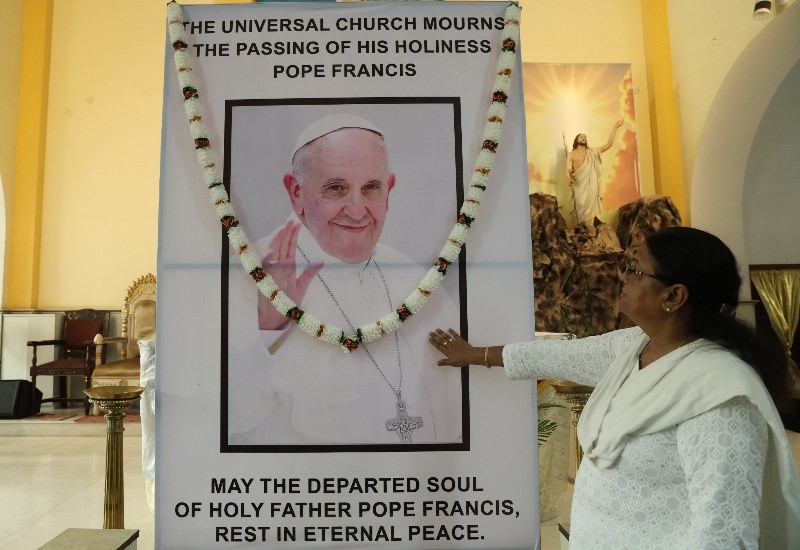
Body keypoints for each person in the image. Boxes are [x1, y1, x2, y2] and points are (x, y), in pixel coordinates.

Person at [429, 226, 800, 548]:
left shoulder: (719, 394)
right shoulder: (635, 346)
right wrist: (475, 354)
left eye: (635, 269)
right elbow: (560, 357)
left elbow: (725, 533)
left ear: (674, 296)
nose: (622, 276)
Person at [227, 113, 463, 446]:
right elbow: (226, 419)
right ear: (296, 192)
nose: (356, 210)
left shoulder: (415, 279)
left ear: (389, 190)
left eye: (371, 188)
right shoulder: (245, 274)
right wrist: (268, 329)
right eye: (336, 188)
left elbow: (455, 413)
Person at [567, 119, 623, 225]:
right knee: (578, 213)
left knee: (590, 216)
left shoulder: (592, 152)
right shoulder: (571, 154)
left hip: (591, 187)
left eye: (585, 137)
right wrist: (568, 177)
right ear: (576, 140)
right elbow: (567, 169)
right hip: (578, 187)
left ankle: (590, 233)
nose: (584, 138)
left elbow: (608, 144)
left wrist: (615, 127)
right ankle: (580, 234)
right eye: (581, 136)